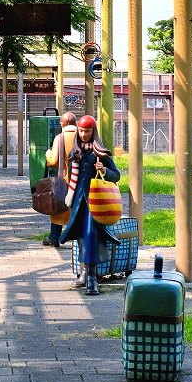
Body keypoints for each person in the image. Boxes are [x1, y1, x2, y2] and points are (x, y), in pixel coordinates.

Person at [58, 114, 121, 295]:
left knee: (90, 234)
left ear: (94, 132)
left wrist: (104, 170)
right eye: (82, 130)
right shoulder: (74, 153)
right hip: (78, 203)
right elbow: (72, 178)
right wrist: (70, 197)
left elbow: (116, 175)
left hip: (96, 203)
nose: (84, 134)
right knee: (80, 236)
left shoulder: (100, 153)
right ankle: (85, 273)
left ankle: (91, 276)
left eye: (87, 131)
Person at [43, 112, 76, 247]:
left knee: (58, 208)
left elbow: (53, 161)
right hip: (82, 180)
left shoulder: (60, 137)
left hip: (66, 180)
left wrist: (48, 154)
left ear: (62, 124)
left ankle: (54, 237)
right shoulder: (83, 136)